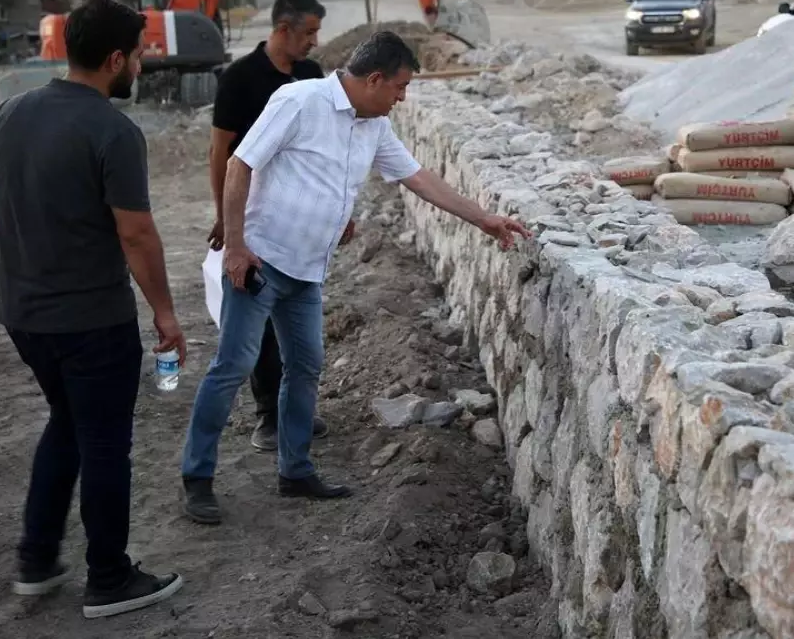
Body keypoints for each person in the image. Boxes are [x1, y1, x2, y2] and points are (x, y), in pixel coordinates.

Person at [180, 31, 531, 525]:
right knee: (233, 366)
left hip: (307, 271)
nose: (403, 97)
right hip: (262, 262)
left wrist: (484, 219)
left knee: (305, 366)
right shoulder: (300, 101)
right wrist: (236, 246)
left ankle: (295, 470)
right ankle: (197, 478)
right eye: (400, 87)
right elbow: (241, 165)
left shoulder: (373, 125)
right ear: (373, 80)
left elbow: (419, 178)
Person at [0, 0, 184, 619]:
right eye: (141, 56)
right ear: (116, 58)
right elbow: (136, 234)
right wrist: (167, 315)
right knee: (102, 443)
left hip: (24, 315)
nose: (142, 69)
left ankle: (36, 560)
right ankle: (109, 578)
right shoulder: (112, 131)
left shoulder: (8, 113)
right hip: (92, 320)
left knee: (65, 423)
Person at [207, 0, 338, 453]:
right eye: (308, 33)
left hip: (298, 222)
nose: (313, 42)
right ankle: (267, 417)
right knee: (256, 322)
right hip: (254, 215)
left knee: (297, 324)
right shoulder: (239, 79)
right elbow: (222, 153)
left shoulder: (309, 76)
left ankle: (295, 412)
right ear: (283, 29)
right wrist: (227, 221)